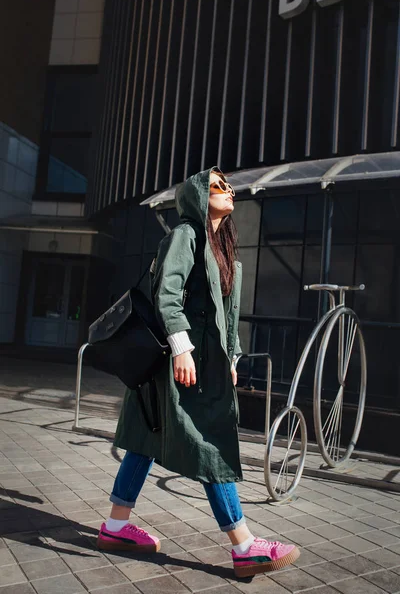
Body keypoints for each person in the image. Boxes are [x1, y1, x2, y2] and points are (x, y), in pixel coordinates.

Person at [97, 167, 300, 578]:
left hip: (203, 365)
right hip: (179, 363)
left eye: (228, 185)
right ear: (197, 196)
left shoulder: (222, 245)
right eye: (217, 186)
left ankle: (115, 527)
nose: (228, 190)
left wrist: (232, 358)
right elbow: (166, 294)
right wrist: (182, 349)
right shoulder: (186, 235)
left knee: (145, 438)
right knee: (209, 441)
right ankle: (244, 546)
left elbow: (229, 314)